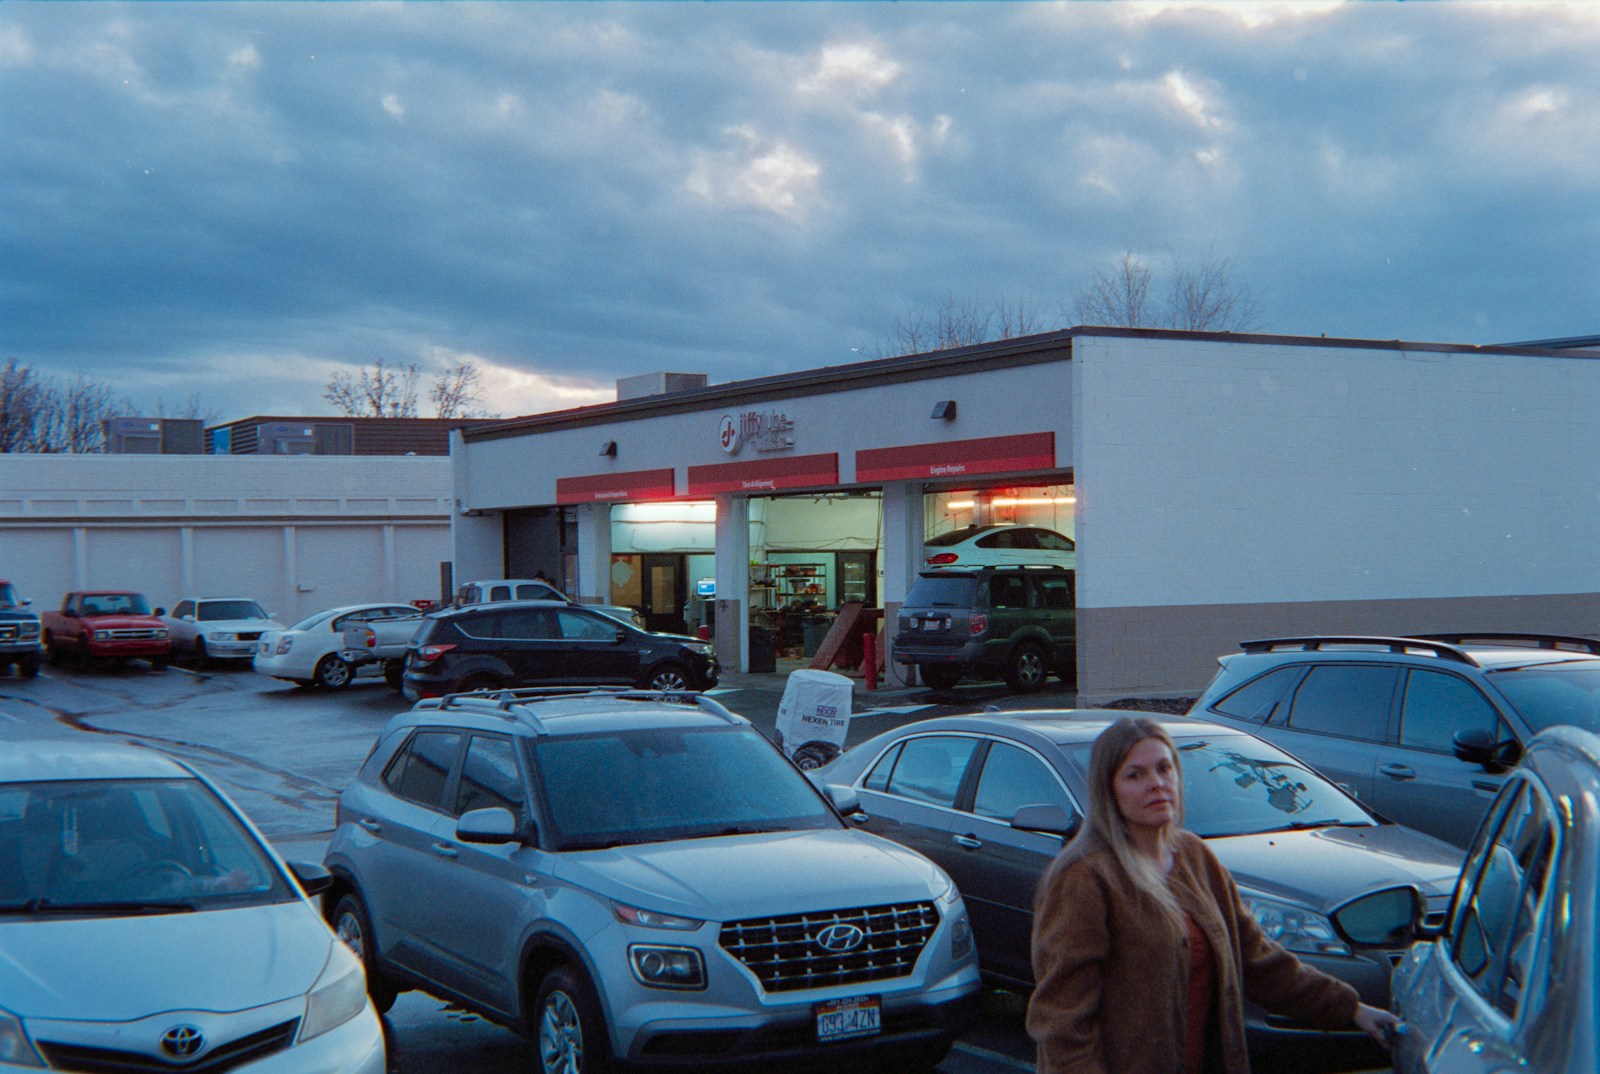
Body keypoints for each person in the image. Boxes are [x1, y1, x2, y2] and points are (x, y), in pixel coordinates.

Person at [1026, 715, 1400, 1074]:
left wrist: (1352, 1009)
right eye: (1135, 775)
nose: (1156, 783)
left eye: (1164, 768)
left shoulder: (1194, 856)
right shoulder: (1085, 877)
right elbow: (1063, 1019)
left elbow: (1259, 960)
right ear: (1108, 790)